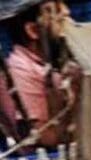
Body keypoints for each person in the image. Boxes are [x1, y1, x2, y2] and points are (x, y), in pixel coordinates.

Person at [0, 0, 76, 148]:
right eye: (56, 13)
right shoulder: (19, 70)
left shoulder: (50, 62)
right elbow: (47, 139)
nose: (66, 13)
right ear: (33, 30)